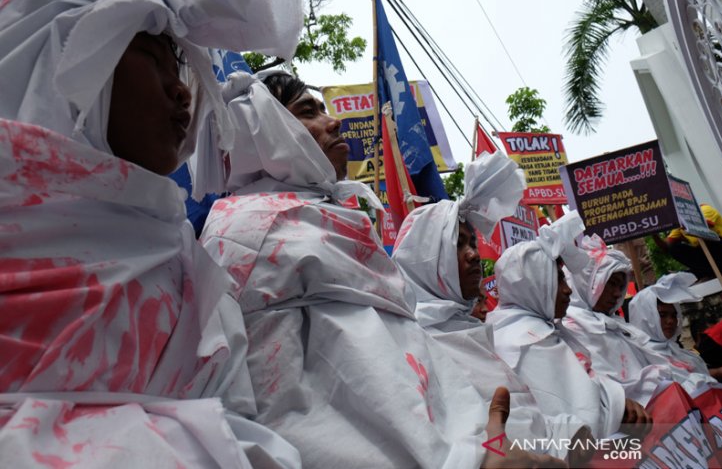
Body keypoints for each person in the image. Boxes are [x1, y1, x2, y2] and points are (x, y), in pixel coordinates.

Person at [0, 0, 303, 467]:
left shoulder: (184, 259)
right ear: (59, 56)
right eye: (149, 56)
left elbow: (241, 422)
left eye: (178, 65)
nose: (182, 89)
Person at [199, 71, 565, 468]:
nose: (333, 120)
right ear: (264, 131)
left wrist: (476, 446)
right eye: (308, 111)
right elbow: (283, 405)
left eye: (323, 107)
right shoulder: (244, 231)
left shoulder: (330, 218)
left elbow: (398, 361)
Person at [391, 153, 592, 464]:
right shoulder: (410, 345)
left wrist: (571, 434)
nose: (473, 255)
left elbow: (529, 417)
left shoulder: (470, 332)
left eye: (472, 243)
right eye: (456, 245)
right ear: (425, 261)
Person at [486, 212, 653, 440]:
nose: (568, 289)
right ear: (533, 285)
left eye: (564, 278)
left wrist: (616, 401)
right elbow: (579, 415)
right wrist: (617, 406)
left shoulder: (544, 329)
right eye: (557, 279)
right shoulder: (525, 340)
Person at [559, 235, 673, 405]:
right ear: (586, 283)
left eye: (621, 286)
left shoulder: (617, 327)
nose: (617, 294)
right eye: (611, 283)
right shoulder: (571, 330)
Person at [628, 273, 722, 391]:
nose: (670, 321)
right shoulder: (636, 358)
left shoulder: (681, 353)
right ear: (645, 316)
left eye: (674, 315)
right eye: (662, 315)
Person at [652, 204, 722, 279]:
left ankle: (703, 272)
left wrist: (682, 226)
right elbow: (666, 246)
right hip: (713, 256)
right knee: (675, 249)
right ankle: (707, 272)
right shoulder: (680, 223)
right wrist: (653, 233)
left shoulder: (705, 209)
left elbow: (703, 229)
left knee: (709, 241)